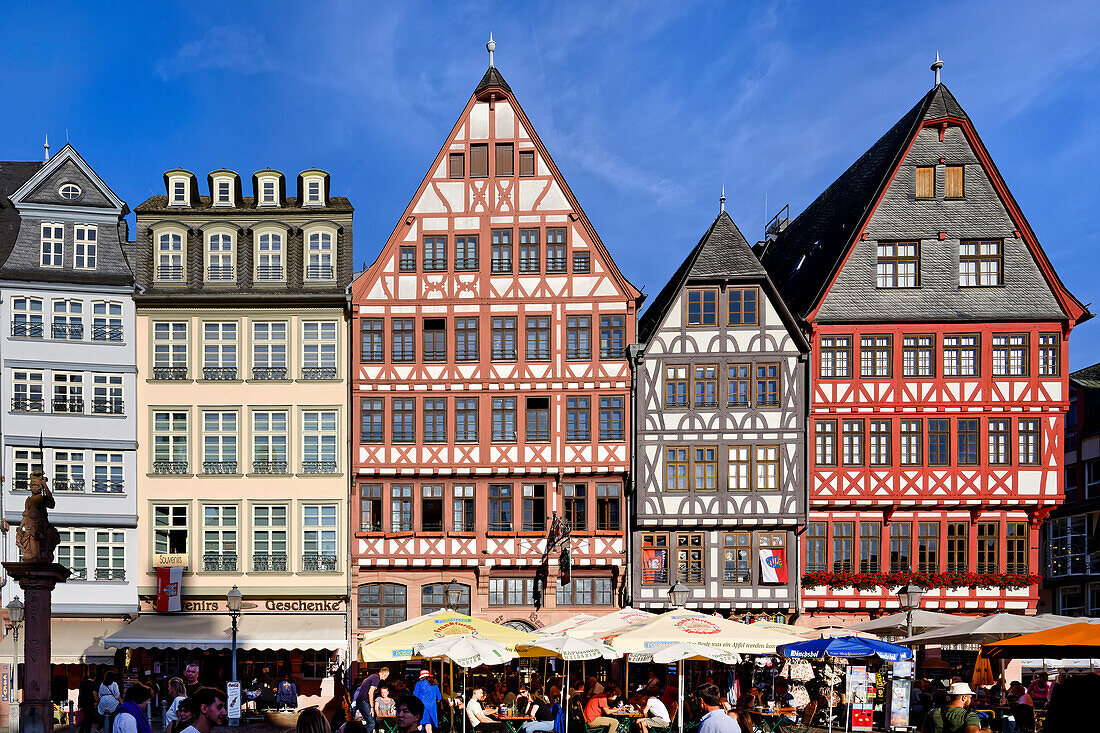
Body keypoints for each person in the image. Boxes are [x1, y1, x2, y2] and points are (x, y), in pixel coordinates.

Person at [920, 683, 990, 733]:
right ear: (964, 697)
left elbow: (924, 731)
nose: (970, 700)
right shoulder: (969, 716)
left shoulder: (932, 712)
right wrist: (988, 731)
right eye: (970, 697)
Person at [358, 667, 391, 733]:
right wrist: (372, 707)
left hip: (362, 701)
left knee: (373, 720)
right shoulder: (376, 678)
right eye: (387, 675)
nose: (387, 677)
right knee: (371, 722)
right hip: (363, 701)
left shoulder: (373, 676)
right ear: (385, 674)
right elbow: (370, 692)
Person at [78, 669, 101, 733]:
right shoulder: (93, 684)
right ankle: (86, 730)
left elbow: (79, 693)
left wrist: (79, 702)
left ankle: (82, 730)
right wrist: (98, 702)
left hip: (83, 702)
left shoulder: (83, 683)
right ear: (95, 677)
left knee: (86, 717)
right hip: (90, 703)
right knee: (89, 718)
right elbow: (95, 694)